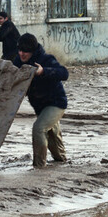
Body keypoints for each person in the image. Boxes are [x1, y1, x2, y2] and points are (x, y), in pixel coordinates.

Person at [13, 33, 69, 168]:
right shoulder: (18, 62)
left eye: (25, 51)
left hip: (55, 103)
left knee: (39, 129)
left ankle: (39, 167)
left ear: (32, 50)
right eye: (20, 50)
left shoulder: (46, 59)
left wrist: (44, 71)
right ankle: (62, 162)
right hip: (39, 106)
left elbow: (64, 73)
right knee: (53, 140)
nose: (22, 53)